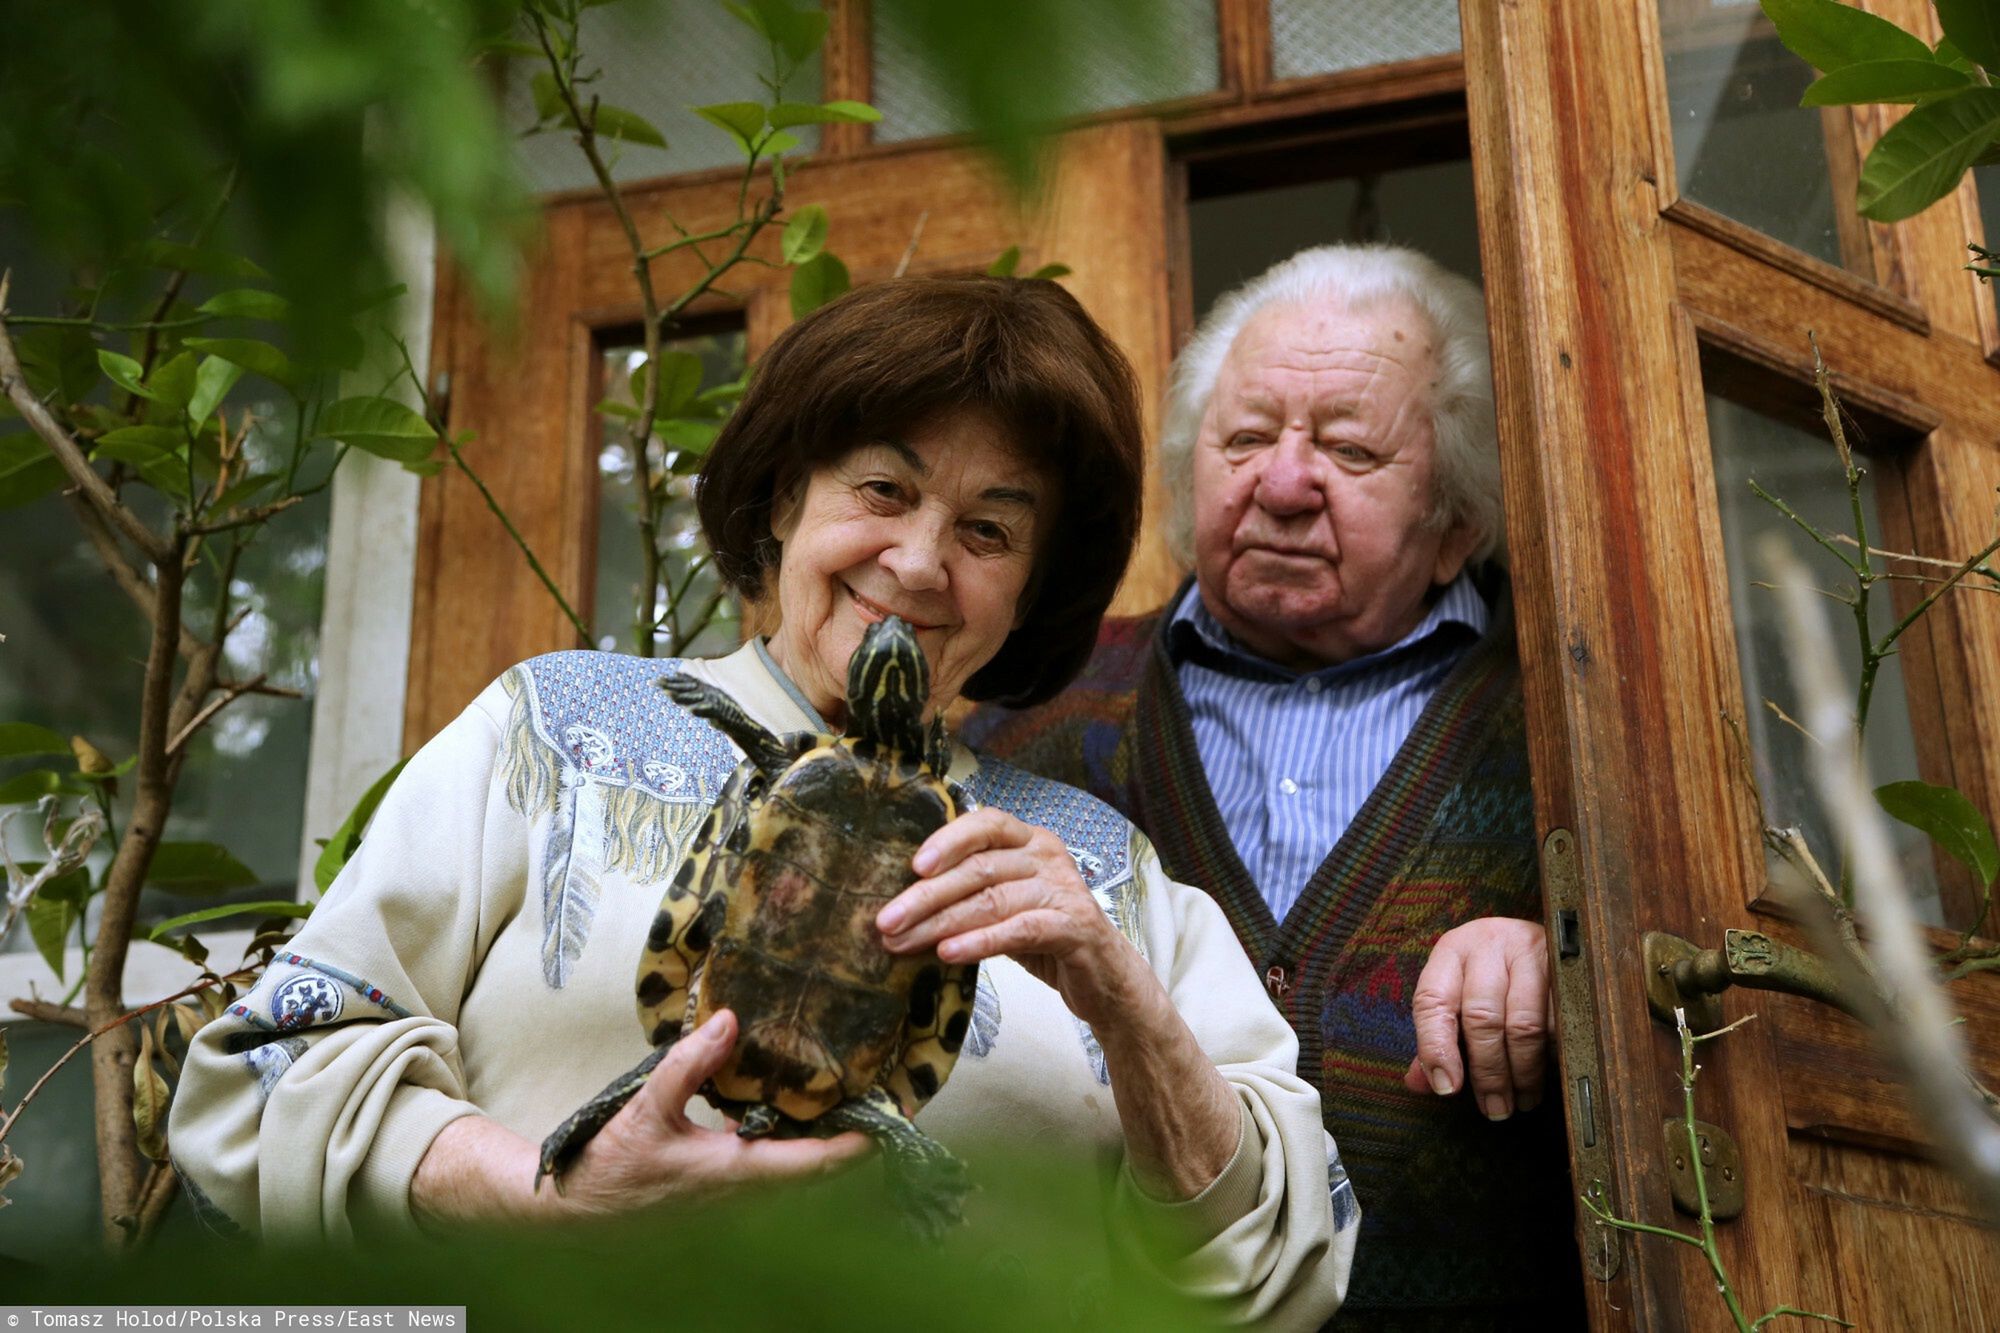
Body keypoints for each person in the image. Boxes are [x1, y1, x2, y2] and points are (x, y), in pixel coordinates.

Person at [170, 276, 1354, 1328]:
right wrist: (540, 1199)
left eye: (988, 529)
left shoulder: (1099, 877)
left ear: (1027, 593)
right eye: (881, 487)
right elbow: (268, 1070)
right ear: (786, 496)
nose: (920, 561)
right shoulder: (555, 729)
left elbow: (1280, 1265)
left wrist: (1126, 1006)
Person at [962, 245, 1585, 1329]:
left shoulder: (1582, 718)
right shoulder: (1032, 716)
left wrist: (1572, 949)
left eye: (1348, 449)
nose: (1282, 484)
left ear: (1455, 525)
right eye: (1244, 438)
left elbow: (1727, 969)